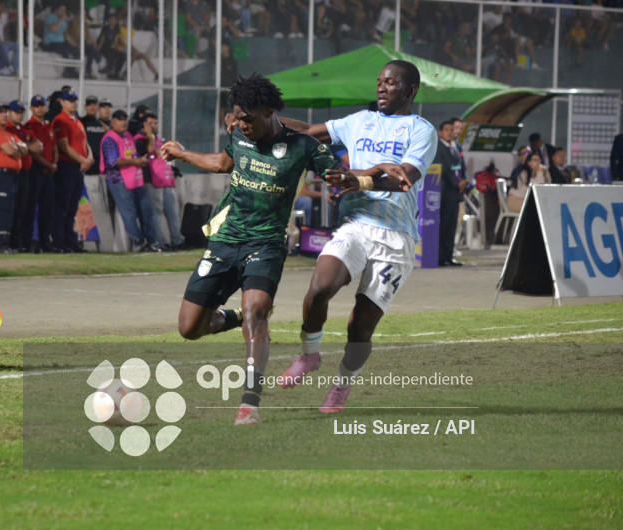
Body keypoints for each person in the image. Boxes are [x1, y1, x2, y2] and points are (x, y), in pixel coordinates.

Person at [161, 74, 341, 425]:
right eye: (237, 118)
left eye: (249, 119)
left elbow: (339, 175)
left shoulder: (303, 146)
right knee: (189, 329)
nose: (242, 125)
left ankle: (249, 403)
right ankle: (235, 317)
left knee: (258, 310)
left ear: (270, 112)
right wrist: (182, 154)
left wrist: (362, 180)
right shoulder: (238, 137)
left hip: (267, 243)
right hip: (225, 240)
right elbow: (220, 164)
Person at [278, 60, 438, 413]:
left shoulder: (421, 130)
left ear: (410, 90)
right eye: (379, 81)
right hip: (356, 225)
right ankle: (309, 355)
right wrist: (260, 118)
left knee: (359, 327)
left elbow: (403, 178)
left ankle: (342, 385)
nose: (381, 87)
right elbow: (307, 130)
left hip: (396, 239)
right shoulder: (359, 121)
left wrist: (359, 179)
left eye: (391, 83)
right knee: (320, 288)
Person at [100, 109, 161, 252]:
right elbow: (112, 161)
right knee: (129, 214)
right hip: (119, 181)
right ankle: (139, 244)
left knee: (146, 211)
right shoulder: (110, 138)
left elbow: (136, 154)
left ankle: (152, 243)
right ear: (113, 122)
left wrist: (140, 161)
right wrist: (135, 162)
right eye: (120, 119)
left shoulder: (127, 135)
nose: (123, 122)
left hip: (135, 179)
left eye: (125, 119)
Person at [51, 89, 92, 253]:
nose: (73, 102)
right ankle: (59, 242)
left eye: (74, 99)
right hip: (66, 167)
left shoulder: (77, 120)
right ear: (62, 102)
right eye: (69, 100)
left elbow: (84, 143)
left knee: (73, 206)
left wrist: (89, 158)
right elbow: (64, 146)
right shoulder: (60, 120)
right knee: (63, 206)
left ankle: (70, 241)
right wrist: (83, 160)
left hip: (78, 168)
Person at [135, 112, 183, 249]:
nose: (154, 126)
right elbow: (149, 151)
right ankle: (160, 242)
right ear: (143, 126)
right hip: (151, 180)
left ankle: (177, 240)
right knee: (156, 212)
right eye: (150, 124)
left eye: (155, 123)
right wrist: (149, 135)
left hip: (165, 180)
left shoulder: (159, 139)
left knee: (172, 211)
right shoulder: (140, 140)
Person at [0, 101, 27, 252]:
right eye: (0, 112)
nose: (4, 114)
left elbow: (25, 149)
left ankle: (6, 243)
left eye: (5, 111)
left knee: (10, 209)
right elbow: (11, 151)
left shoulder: (9, 133)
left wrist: (17, 148)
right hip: (1, 174)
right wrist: (17, 149)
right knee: (3, 209)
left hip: (11, 175)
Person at [5, 99, 43, 252]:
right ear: (9, 113)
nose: (20, 115)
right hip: (14, 174)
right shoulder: (7, 129)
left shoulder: (25, 130)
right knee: (13, 209)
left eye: (21, 112)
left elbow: (39, 146)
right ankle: (12, 243)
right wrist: (28, 147)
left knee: (23, 209)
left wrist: (25, 148)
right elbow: (15, 149)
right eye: (16, 112)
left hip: (26, 174)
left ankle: (21, 242)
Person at [25, 95, 59, 252]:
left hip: (49, 174)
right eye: (36, 106)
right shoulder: (29, 127)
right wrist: (50, 165)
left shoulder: (48, 127)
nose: (40, 108)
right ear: (32, 108)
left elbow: (54, 148)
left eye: (42, 105)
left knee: (48, 210)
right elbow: (33, 153)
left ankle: (46, 242)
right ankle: (28, 242)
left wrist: (54, 164)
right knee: (30, 209)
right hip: (36, 172)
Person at [435, 120, 466, 267]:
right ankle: (440, 257)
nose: (449, 132)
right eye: (446, 130)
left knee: (452, 226)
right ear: (440, 132)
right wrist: (456, 183)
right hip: (445, 191)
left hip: (456, 192)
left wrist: (464, 181)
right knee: (443, 225)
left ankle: (448, 256)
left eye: (451, 130)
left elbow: (460, 166)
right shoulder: (438, 147)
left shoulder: (455, 147)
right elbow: (444, 168)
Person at [81, 95, 107, 176]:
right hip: (85, 161)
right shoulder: (80, 122)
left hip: (100, 163)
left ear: (98, 108)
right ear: (85, 107)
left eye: (94, 105)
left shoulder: (103, 125)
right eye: (89, 105)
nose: (92, 107)